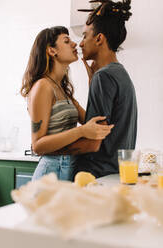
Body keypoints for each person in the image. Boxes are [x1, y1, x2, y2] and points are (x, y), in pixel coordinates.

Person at [20, 26, 113, 181]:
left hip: (69, 166)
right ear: (52, 51)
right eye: (66, 41)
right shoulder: (43, 86)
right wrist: (81, 131)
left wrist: (93, 82)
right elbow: (37, 145)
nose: (75, 44)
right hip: (51, 171)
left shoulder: (62, 90)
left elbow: (94, 122)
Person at [70, 0, 138, 178]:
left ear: (99, 38)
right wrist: (92, 82)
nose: (81, 44)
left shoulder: (104, 77)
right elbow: (105, 128)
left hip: (94, 176)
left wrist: (48, 147)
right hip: (112, 173)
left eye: (85, 36)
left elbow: (93, 142)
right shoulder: (119, 73)